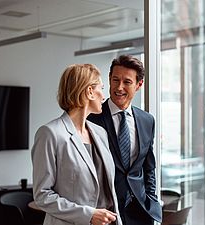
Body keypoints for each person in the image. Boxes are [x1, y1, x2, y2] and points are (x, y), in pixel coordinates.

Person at [31, 64, 122, 225]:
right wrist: (88, 215)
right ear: (89, 91)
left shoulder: (100, 133)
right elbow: (42, 195)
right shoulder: (50, 133)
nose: (103, 96)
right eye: (101, 88)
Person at [88, 55, 162, 225]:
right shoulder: (91, 119)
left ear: (139, 84)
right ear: (109, 79)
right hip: (106, 211)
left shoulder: (147, 120)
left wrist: (151, 199)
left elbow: (148, 166)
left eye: (127, 82)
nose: (119, 87)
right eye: (115, 80)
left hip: (141, 211)